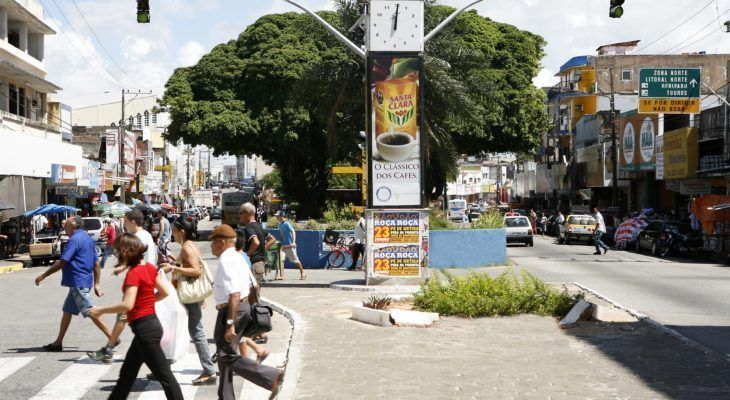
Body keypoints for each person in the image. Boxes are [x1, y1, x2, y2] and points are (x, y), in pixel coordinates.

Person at [88, 233, 184, 400]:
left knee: (165, 377)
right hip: (147, 329)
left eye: (118, 250)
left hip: (146, 332)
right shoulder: (148, 267)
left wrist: (100, 310)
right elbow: (164, 292)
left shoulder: (134, 273)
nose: (117, 253)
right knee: (126, 375)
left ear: (127, 251)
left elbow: (127, 305)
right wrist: (146, 303)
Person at [209, 225, 284, 400]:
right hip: (241, 309)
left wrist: (230, 323)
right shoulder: (238, 257)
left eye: (212, 242)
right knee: (225, 356)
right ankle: (226, 397)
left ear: (221, 242)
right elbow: (253, 286)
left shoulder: (226, 260)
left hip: (231, 310)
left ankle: (272, 376)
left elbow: (234, 293)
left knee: (225, 355)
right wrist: (248, 310)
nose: (211, 246)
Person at [88, 209, 158, 363]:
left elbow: (135, 256)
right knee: (125, 318)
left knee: (125, 315)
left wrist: (123, 266)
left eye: (125, 222)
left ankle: (110, 349)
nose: (124, 225)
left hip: (141, 283)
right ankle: (110, 348)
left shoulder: (139, 237)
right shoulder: (146, 235)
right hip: (147, 280)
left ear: (133, 222)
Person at [34, 216, 112, 351]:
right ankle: (58, 343)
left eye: (67, 224)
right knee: (67, 311)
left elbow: (62, 262)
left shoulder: (74, 240)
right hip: (82, 281)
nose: (64, 226)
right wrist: (96, 284)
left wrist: (43, 275)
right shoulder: (88, 239)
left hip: (78, 281)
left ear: (74, 225)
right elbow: (97, 264)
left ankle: (113, 337)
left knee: (91, 310)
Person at [160, 219, 218, 385]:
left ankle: (209, 370)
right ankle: (163, 367)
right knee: (173, 328)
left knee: (196, 332)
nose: (171, 233)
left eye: (173, 230)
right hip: (189, 296)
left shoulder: (187, 247)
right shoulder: (190, 245)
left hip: (188, 296)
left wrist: (174, 268)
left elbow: (196, 271)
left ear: (182, 231)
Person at [234, 230, 270, 364]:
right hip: (244, 298)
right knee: (239, 333)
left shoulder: (237, 258)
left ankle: (247, 359)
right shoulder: (244, 256)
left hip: (239, 299)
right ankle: (256, 352)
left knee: (237, 332)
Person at [239, 203, 275, 286]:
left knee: (252, 294)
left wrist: (247, 254)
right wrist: (263, 248)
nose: (239, 215)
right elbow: (272, 239)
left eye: (241, 213)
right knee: (255, 293)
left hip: (253, 264)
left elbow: (255, 242)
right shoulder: (258, 226)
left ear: (248, 212)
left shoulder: (249, 227)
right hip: (260, 264)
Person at [276, 210, 306, 280]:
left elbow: (293, 231)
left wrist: (293, 242)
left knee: (296, 261)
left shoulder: (287, 223)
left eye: (277, 216)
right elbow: (282, 235)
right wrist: (279, 241)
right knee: (281, 260)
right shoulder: (280, 225)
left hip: (290, 246)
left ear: (281, 216)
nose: (276, 217)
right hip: (283, 246)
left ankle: (302, 273)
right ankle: (282, 276)